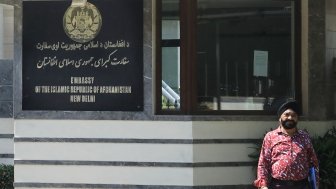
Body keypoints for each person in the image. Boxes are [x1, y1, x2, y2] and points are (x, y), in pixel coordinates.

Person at [253, 100, 319, 189]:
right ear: (280, 118)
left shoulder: (304, 137)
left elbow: (313, 162)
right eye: (286, 114)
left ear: (297, 119)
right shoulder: (270, 136)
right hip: (278, 185)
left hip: (302, 185)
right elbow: (263, 163)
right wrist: (263, 185)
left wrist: (316, 184)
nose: (290, 118)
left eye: (294, 115)